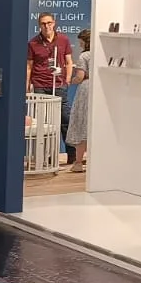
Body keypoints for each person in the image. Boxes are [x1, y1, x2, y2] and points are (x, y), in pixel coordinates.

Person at [27, 12, 74, 161]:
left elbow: (69, 61)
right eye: (43, 23)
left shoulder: (63, 40)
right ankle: (47, 156)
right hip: (40, 84)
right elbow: (29, 66)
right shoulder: (33, 43)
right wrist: (27, 85)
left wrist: (67, 79)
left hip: (59, 84)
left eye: (49, 23)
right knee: (44, 122)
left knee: (65, 119)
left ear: (54, 23)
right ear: (39, 25)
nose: (46, 26)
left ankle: (72, 155)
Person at [67, 29, 92, 173]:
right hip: (99, 89)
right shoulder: (101, 54)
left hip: (86, 90)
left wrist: (71, 80)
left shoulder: (84, 56)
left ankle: (78, 162)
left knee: (81, 122)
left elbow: (80, 76)